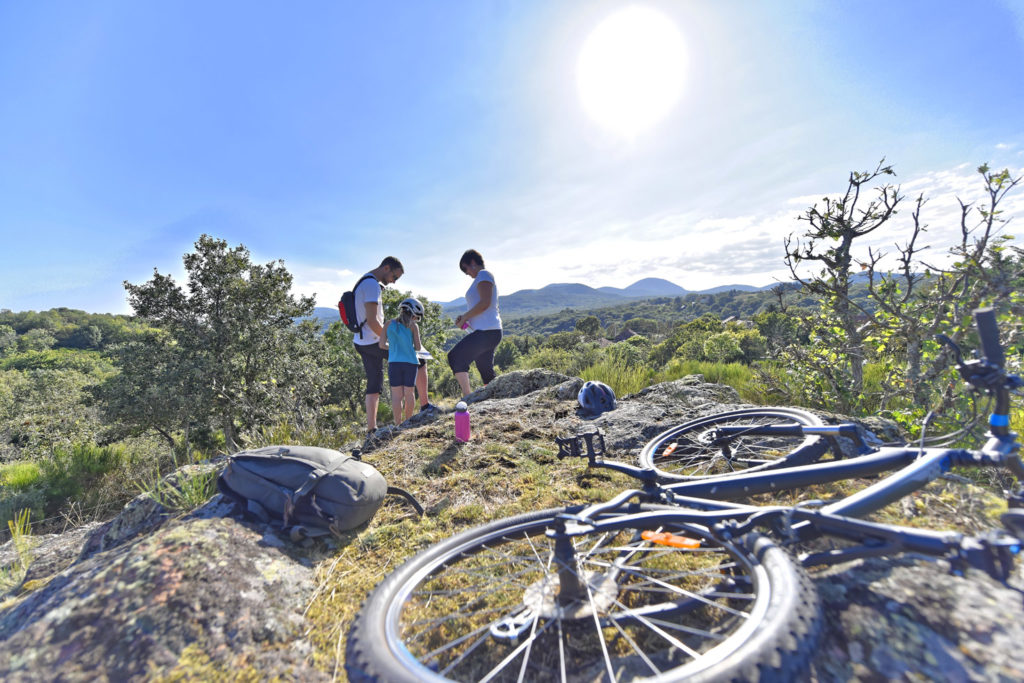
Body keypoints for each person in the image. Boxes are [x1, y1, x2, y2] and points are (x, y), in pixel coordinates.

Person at [352, 257, 435, 434]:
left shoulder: (363, 281)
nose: (393, 282)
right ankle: (425, 406)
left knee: (374, 383)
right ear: (387, 268)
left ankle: (371, 428)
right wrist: (396, 341)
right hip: (374, 340)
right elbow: (374, 321)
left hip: (361, 341)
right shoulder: (372, 285)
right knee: (419, 361)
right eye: (394, 277)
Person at [449, 249, 503, 397]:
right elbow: (482, 306)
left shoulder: (483, 275)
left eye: (465, 269)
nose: (467, 274)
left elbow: (485, 303)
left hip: (487, 332)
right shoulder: (481, 277)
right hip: (488, 331)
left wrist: (465, 316)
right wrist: (465, 319)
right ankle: (496, 396)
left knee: (455, 357)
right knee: (485, 368)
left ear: (472, 263)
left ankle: (468, 398)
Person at [380, 298, 424, 425]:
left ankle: (398, 424)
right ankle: (408, 421)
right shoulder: (413, 326)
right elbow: (418, 347)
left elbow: (382, 345)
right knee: (409, 393)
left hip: (394, 363)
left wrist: (394, 347)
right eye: (416, 317)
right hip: (410, 363)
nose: (416, 319)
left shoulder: (388, 324)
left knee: (396, 395)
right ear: (413, 313)